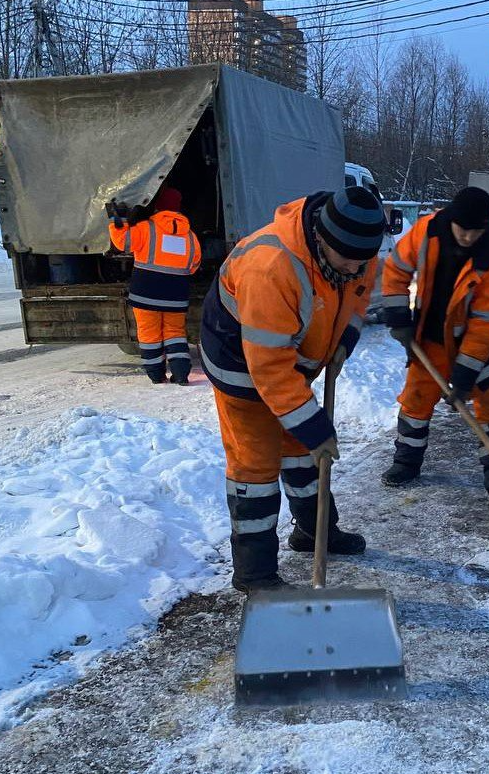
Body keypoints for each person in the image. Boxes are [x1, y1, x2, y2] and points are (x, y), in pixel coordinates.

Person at [200, 187, 386, 593]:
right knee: (257, 467)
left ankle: (315, 533)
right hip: (241, 366)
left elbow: (356, 298)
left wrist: (345, 341)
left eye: (363, 261)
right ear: (321, 239)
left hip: (291, 359)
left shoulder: (356, 253)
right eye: (348, 260)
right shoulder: (271, 266)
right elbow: (268, 367)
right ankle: (255, 573)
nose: (357, 268)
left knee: (303, 453)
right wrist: (314, 426)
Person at [380, 186, 489, 495]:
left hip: (486, 343)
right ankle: (407, 461)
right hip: (432, 335)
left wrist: (465, 377)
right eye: (462, 229)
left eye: (475, 231)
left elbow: (484, 322)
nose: (468, 237)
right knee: (416, 398)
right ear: (451, 218)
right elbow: (396, 269)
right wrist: (398, 315)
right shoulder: (427, 230)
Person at [108, 187, 201, 384]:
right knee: (175, 334)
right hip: (176, 296)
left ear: (158, 206)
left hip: (146, 294)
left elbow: (123, 243)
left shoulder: (147, 228)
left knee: (149, 334)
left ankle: (157, 375)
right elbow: (194, 266)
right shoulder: (190, 236)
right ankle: (181, 373)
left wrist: (118, 222)